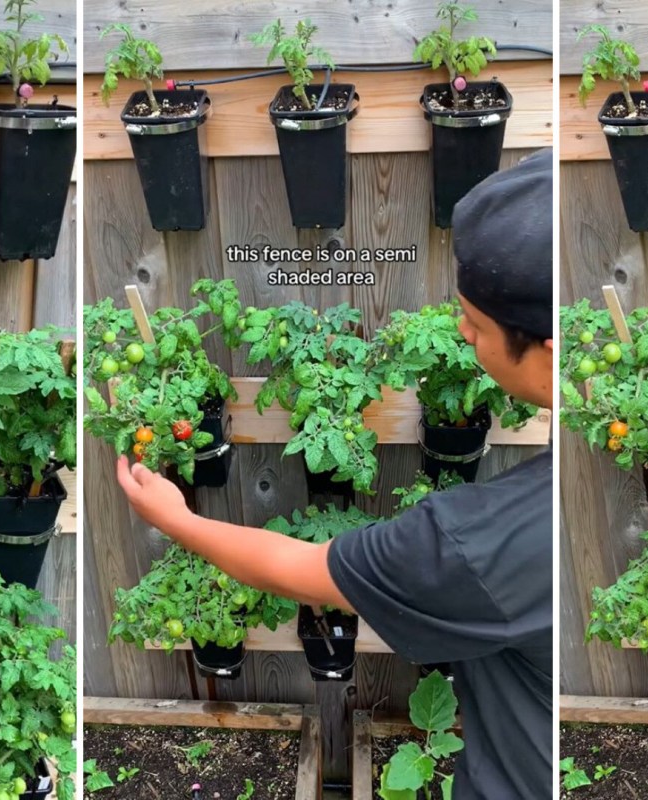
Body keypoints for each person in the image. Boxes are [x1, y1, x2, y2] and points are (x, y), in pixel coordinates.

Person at [114, 150, 554, 798]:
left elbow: (302, 569)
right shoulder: (591, 447)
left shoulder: (479, 543)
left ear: (546, 344)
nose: (460, 333)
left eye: (476, 324)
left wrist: (178, 520)